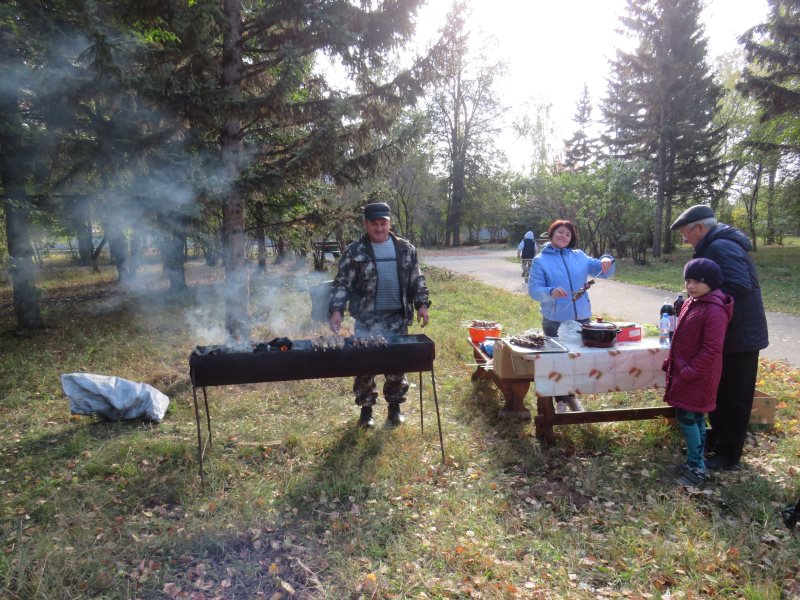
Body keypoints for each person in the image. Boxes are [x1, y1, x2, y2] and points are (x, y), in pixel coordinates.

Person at [670, 204, 769, 470]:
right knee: (720, 389)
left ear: (699, 228)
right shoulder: (713, 245)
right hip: (729, 331)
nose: (684, 239)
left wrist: (701, 302)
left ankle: (729, 453)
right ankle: (718, 438)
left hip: (740, 335)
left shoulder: (719, 247)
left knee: (734, 395)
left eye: (685, 233)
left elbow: (739, 286)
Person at [329, 202, 431, 428]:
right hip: (367, 320)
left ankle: (394, 409)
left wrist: (421, 305)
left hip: (397, 318)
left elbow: (417, 279)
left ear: (389, 223)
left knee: (396, 366)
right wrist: (336, 310)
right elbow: (342, 284)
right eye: (374, 224)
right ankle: (366, 412)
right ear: (366, 224)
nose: (379, 228)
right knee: (365, 366)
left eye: (383, 223)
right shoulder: (355, 252)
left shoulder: (406, 249)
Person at [528, 219, 615, 414]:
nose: (563, 236)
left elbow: (602, 270)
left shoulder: (580, 256)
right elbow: (534, 290)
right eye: (560, 232)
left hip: (582, 319)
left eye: (568, 234)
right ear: (552, 234)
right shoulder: (540, 260)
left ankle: (571, 395)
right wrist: (550, 292)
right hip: (554, 321)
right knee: (558, 362)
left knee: (578, 361)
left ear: (572, 238)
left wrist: (607, 258)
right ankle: (561, 400)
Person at [663, 258, 733, 486]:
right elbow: (682, 338)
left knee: (686, 416)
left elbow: (712, 348)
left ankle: (696, 467)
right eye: (688, 280)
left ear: (711, 282)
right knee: (696, 416)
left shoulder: (714, 310)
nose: (691, 286)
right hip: (687, 372)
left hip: (698, 376)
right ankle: (698, 461)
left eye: (697, 281)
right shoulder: (693, 302)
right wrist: (672, 362)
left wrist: (690, 371)